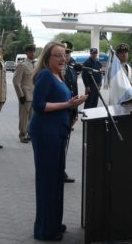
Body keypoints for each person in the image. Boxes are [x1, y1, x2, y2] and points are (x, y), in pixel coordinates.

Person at [30, 41, 87, 241]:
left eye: (65, 55)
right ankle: (45, 230)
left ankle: (54, 222)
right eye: (58, 55)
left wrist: (73, 107)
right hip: (46, 134)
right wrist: (67, 104)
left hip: (57, 132)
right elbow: (38, 105)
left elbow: (61, 103)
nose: (63, 59)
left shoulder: (59, 75)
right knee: (48, 182)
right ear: (47, 58)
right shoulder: (45, 75)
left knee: (56, 181)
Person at [61, 40, 79, 183]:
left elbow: (75, 91)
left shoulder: (72, 69)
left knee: (64, 143)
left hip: (69, 111)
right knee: (57, 143)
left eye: (68, 53)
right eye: (64, 53)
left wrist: (75, 112)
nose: (66, 56)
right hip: (58, 111)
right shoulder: (52, 70)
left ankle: (61, 170)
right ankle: (54, 170)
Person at [12, 44, 36, 143]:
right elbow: (16, 81)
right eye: (31, 51)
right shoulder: (22, 65)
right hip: (25, 95)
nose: (33, 53)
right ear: (27, 53)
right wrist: (20, 95)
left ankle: (29, 133)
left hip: (34, 95)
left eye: (34, 51)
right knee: (24, 117)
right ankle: (22, 135)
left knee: (32, 117)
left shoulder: (34, 65)